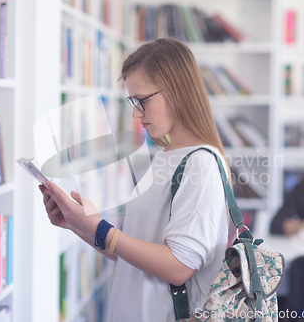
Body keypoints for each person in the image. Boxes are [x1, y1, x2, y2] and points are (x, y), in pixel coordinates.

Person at [39, 38, 237, 321]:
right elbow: (138, 259)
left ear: (176, 91)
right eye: (132, 101)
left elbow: (179, 267)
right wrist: (81, 227)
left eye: (141, 100)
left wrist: (100, 228)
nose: (135, 112)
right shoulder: (168, 155)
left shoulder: (200, 162)